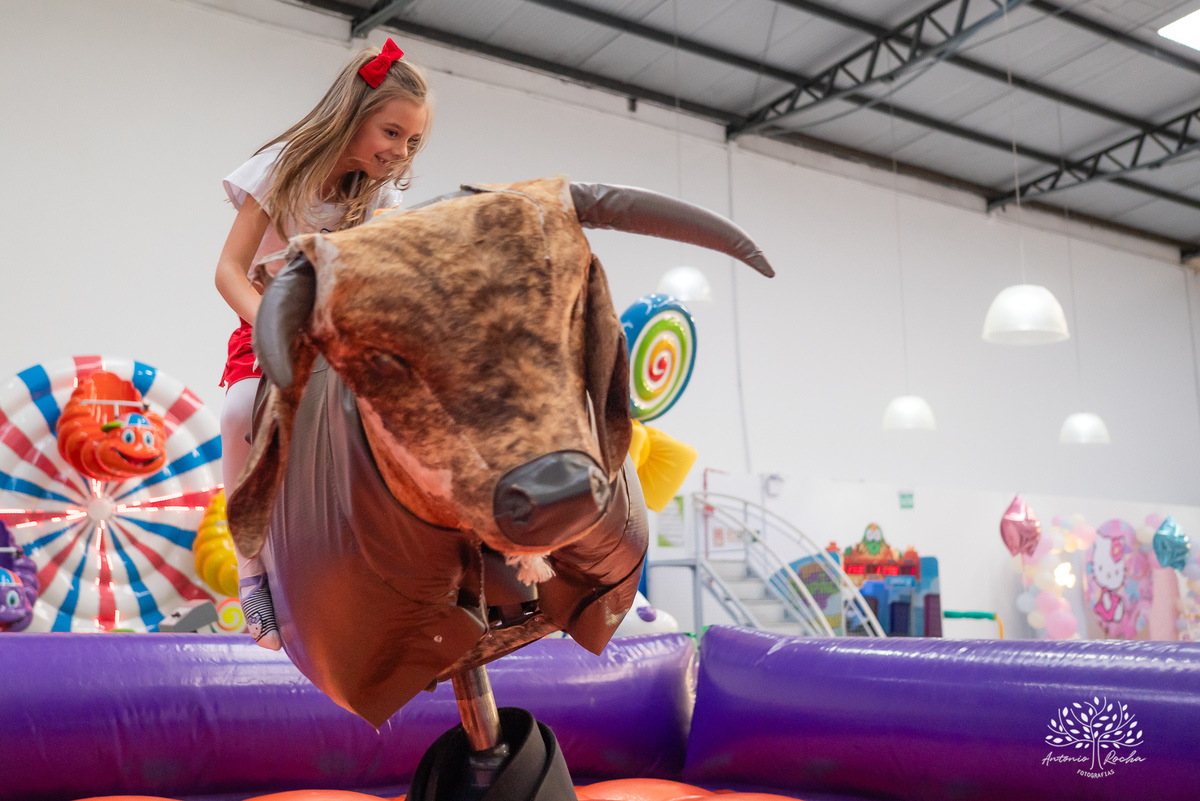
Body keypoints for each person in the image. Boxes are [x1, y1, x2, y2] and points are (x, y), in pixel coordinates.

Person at [215, 39, 431, 649]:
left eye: (411, 143)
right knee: (237, 414)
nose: (399, 152)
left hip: (338, 325)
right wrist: (270, 328)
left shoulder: (379, 198)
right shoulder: (281, 168)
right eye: (391, 133)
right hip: (268, 318)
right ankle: (251, 565)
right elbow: (229, 270)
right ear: (354, 115)